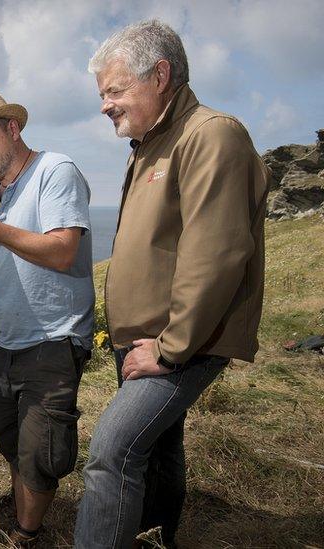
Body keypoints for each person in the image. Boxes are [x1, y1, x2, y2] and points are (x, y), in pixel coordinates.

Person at [76, 20, 269, 548]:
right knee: (157, 448)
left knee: (110, 453)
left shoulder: (210, 134)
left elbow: (219, 253)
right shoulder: (151, 143)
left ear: (160, 75)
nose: (104, 105)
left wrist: (170, 350)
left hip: (178, 342)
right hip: (146, 339)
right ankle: (155, 537)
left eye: (115, 90)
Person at [0, 92, 94, 545]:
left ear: (14, 128)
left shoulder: (55, 171)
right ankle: (23, 501)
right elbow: (0, 269)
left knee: (41, 450)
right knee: (6, 433)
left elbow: (63, 251)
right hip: (4, 343)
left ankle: (27, 533)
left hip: (51, 338)